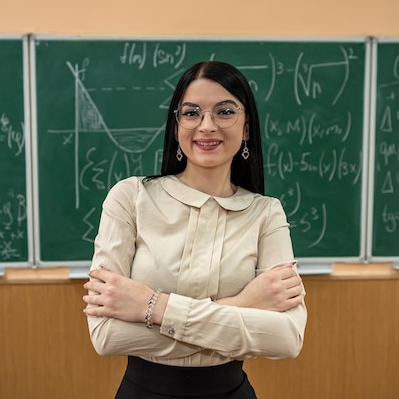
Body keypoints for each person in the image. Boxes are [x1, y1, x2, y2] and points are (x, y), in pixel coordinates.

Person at [82, 61, 307, 399]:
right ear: (176, 126)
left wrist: (152, 306)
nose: (207, 126)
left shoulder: (266, 213)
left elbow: (286, 338)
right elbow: (107, 335)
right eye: (191, 113)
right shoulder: (131, 198)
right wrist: (243, 304)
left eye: (225, 111)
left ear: (247, 128)